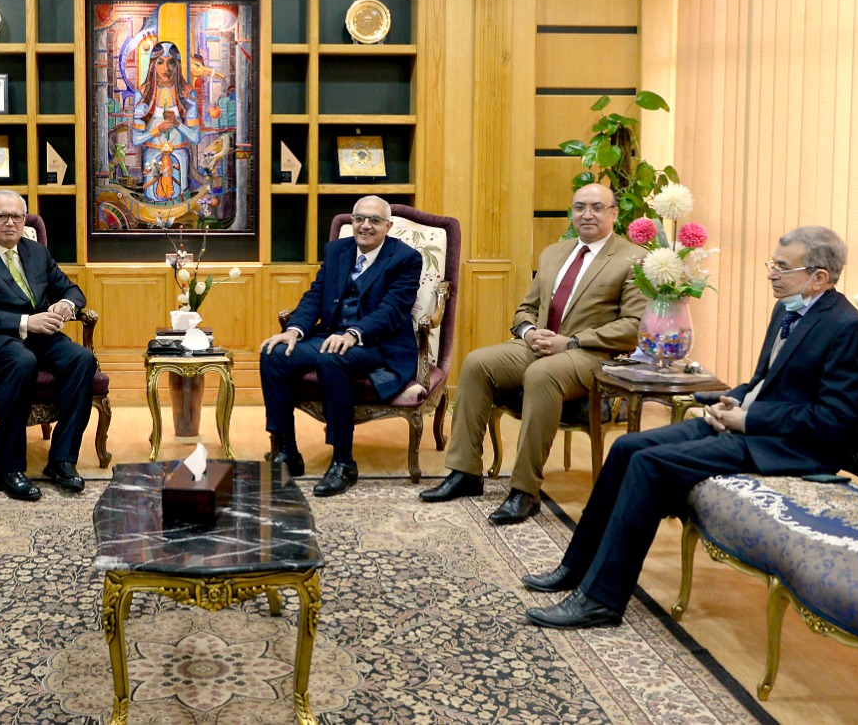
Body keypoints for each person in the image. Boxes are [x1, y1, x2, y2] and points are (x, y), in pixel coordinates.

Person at [522, 226, 858, 629]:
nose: (771, 274)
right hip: (749, 424)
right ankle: (576, 566)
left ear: (819, 277)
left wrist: (749, 419)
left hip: (791, 447)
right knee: (626, 448)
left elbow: (832, 419)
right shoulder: (787, 309)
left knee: (650, 465)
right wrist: (730, 401)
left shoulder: (845, 327)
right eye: (772, 264)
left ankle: (601, 600)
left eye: (782, 268)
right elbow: (766, 381)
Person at [419, 183, 647, 523]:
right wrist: (529, 332)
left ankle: (525, 492)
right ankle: (465, 472)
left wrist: (570, 342)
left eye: (597, 207)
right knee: (478, 363)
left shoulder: (633, 259)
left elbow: (633, 326)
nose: (587, 214)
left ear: (614, 213)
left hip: (591, 354)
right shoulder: (554, 253)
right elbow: (525, 309)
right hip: (539, 345)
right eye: (580, 207)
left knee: (541, 374)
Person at [259, 196, 422, 497]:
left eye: (374, 220)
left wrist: (354, 333)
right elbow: (316, 294)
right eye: (359, 218)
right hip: (331, 335)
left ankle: (343, 462)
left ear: (388, 226)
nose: (365, 225)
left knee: (331, 359)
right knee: (275, 353)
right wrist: (294, 330)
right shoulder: (337, 250)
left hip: (379, 344)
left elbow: (393, 310)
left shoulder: (405, 258)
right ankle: (286, 450)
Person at [0, 190, 97, 502]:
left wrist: (66, 305)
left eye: (17, 216)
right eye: (2, 215)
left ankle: (62, 460)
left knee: (81, 359)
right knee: (22, 360)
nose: (10, 222)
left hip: (41, 336)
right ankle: (9, 469)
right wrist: (27, 322)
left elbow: (71, 289)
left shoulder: (36, 252)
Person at [130, 41, 201, 203]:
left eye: (171, 62)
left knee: (179, 200)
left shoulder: (189, 94)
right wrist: (158, 129)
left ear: (178, 65)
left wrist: (178, 124)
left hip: (179, 157)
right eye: (160, 62)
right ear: (153, 65)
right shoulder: (143, 94)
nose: (166, 68)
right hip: (153, 157)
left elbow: (195, 137)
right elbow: (136, 139)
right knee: (152, 200)